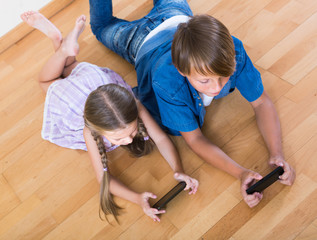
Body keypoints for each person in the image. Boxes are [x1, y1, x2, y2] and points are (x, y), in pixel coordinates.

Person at [88, 0, 296, 208]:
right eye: (204, 81)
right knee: (101, 27)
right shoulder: (167, 82)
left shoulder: (235, 52)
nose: (215, 87)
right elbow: (195, 139)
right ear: (181, 70)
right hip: (141, 41)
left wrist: (277, 154)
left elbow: (261, 103)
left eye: (223, 77)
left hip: (175, 16)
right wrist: (239, 173)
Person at [20, 10, 198, 222]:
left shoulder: (134, 105)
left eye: (130, 133)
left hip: (93, 82)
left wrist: (178, 170)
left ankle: (61, 43)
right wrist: (136, 197)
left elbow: (160, 138)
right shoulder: (90, 130)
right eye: (118, 139)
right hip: (77, 93)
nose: (129, 140)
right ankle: (58, 43)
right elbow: (102, 177)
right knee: (47, 82)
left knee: (67, 68)